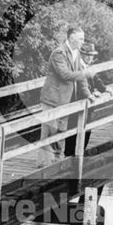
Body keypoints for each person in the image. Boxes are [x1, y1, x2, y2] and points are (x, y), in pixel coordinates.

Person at [39, 26, 91, 162]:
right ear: (72, 38)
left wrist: (88, 94)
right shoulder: (59, 53)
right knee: (50, 133)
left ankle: (58, 163)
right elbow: (64, 74)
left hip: (66, 100)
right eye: (81, 38)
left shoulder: (76, 53)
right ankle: (43, 166)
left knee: (61, 132)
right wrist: (83, 73)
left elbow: (81, 79)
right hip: (52, 99)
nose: (82, 41)